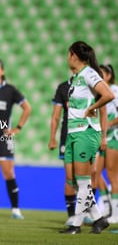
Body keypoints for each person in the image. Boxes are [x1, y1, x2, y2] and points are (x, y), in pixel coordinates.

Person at [59, 41, 114, 234]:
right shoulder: (76, 77)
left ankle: (76, 224)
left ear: (74, 55)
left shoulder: (90, 73)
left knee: (82, 181)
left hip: (86, 132)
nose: (67, 58)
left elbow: (108, 95)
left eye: (68, 54)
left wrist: (92, 108)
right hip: (73, 133)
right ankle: (99, 218)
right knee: (73, 180)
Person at [0, 58, 31, 220]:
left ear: (2, 71)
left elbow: (27, 108)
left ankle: (15, 208)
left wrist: (17, 128)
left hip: (3, 137)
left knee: (8, 172)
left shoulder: (10, 90)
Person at [48, 79, 78, 225]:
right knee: (70, 177)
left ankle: (87, 212)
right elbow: (56, 116)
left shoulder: (91, 84)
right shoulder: (63, 87)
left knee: (88, 176)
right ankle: (72, 215)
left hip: (87, 136)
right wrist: (52, 137)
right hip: (68, 136)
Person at [98, 64, 118, 224]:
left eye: (103, 73)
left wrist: (107, 125)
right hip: (101, 138)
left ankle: (116, 212)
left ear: (110, 76)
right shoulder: (97, 92)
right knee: (95, 173)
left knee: (112, 175)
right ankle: (107, 206)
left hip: (114, 138)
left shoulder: (115, 91)